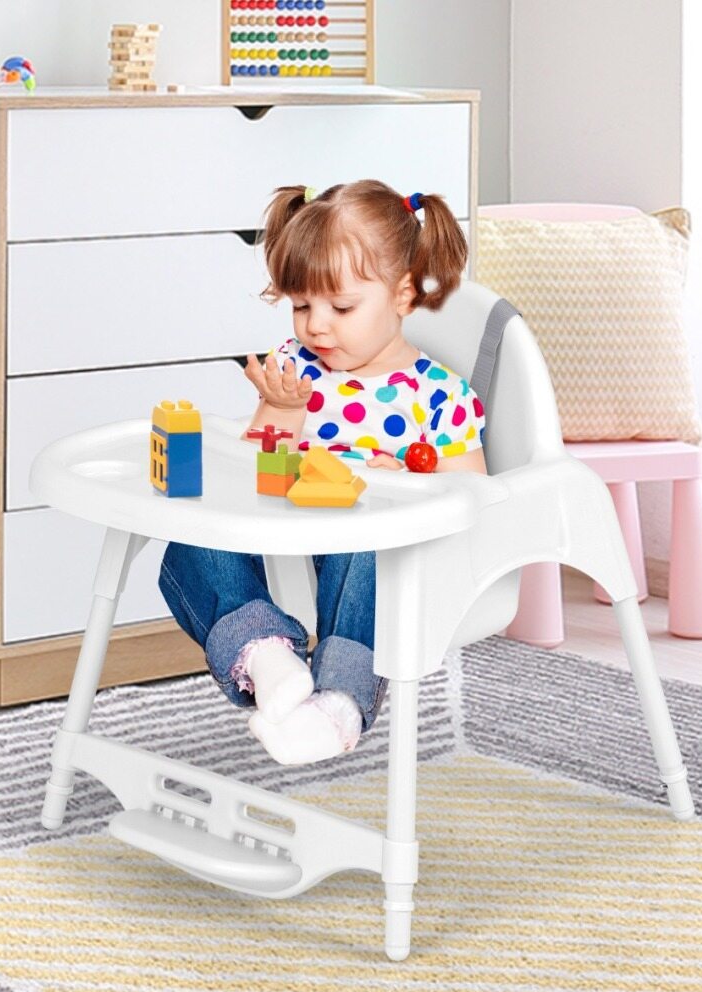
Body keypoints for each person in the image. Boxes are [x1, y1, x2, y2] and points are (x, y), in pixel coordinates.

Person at [159, 179, 487, 766]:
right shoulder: (295, 367)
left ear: (403, 295)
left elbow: (471, 498)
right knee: (190, 536)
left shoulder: (438, 395)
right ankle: (266, 655)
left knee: (371, 541)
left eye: (341, 308)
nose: (316, 326)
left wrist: (412, 484)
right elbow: (261, 473)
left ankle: (337, 704)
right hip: (285, 539)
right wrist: (281, 410)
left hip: (369, 557)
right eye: (301, 306)